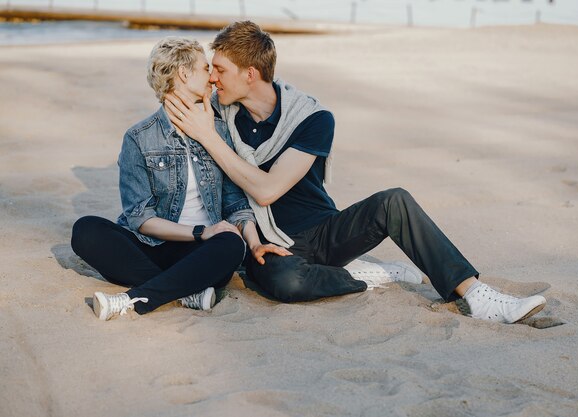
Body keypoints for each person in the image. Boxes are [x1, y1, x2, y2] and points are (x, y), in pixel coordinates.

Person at [164, 21, 547, 324]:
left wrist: (208, 138)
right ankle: (372, 276)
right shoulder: (218, 113)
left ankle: (475, 295)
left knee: (394, 200)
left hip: (325, 230)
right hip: (268, 242)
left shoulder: (312, 119)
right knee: (284, 282)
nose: (212, 78)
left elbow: (267, 191)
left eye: (220, 70)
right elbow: (172, 98)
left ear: (250, 74)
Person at [71, 37, 290, 321]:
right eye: (204, 68)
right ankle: (187, 291)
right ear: (184, 74)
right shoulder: (139, 137)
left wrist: (254, 242)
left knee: (231, 244)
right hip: (153, 245)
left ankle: (133, 299)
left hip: (203, 251)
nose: (212, 77)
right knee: (86, 230)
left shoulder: (218, 129)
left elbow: (235, 201)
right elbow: (140, 219)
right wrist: (200, 231)